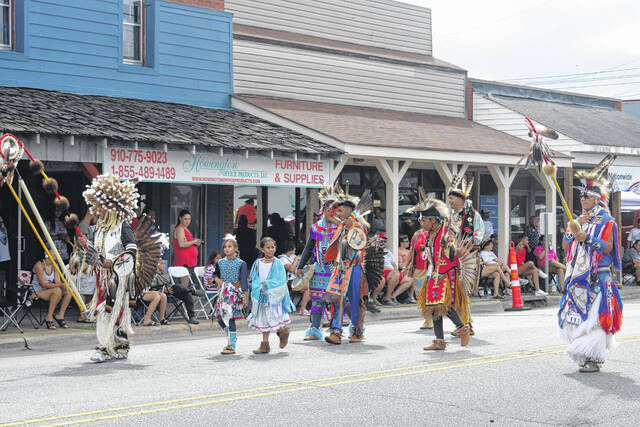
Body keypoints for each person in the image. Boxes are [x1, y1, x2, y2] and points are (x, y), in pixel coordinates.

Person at [559, 156, 623, 373]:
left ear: (596, 199)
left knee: (595, 320)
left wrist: (587, 238)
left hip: (598, 277)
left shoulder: (607, 220)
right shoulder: (580, 219)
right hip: (578, 277)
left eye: (585, 196)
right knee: (578, 317)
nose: (582, 200)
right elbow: (566, 246)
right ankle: (585, 356)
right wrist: (575, 227)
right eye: (580, 196)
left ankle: (593, 359)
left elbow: (608, 248)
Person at [81, 175, 142, 362]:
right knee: (104, 310)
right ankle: (114, 345)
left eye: (101, 207)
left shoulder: (122, 226)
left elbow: (132, 251)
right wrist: (85, 251)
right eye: (97, 207)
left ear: (112, 208)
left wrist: (113, 263)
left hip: (119, 278)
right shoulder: (99, 229)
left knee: (113, 311)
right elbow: (95, 253)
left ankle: (107, 348)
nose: (97, 211)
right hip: (102, 278)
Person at [408, 197, 471, 351]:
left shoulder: (446, 232)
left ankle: (462, 328)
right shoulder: (431, 233)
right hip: (435, 273)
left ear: (433, 220)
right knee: (434, 307)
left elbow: (453, 252)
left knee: (442, 304)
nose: (421, 224)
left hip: (446, 273)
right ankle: (439, 340)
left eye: (424, 221)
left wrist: (453, 250)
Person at [323, 188, 370, 344]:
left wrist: (351, 225)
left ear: (350, 211)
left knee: (355, 300)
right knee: (337, 299)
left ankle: (357, 330)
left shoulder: (358, 227)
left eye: (341, 210)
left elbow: (359, 245)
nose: (338, 213)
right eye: (338, 211)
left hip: (353, 268)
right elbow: (329, 215)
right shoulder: (342, 226)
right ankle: (336, 332)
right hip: (340, 269)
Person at [296, 188, 340, 341]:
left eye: (334, 209)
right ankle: (315, 328)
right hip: (320, 268)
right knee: (317, 300)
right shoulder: (317, 227)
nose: (330, 212)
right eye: (328, 209)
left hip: (337, 269)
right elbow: (309, 248)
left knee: (339, 300)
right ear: (323, 210)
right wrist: (300, 266)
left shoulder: (341, 227)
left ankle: (339, 329)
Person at [447, 175, 483, 335]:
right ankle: (465, 324)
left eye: (452, 198)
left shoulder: (472, 215)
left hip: (467, 259)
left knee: (461, 291)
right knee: (455, 292)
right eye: (449, 199)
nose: (450, 202)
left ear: (461, 200)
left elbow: (480, 233)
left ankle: (464, 325)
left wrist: (471, 241)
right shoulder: (451, 216)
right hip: (452, 258)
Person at [247, 237, 295, 354]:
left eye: (272, 247)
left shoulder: (278, 263)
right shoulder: (258, 263)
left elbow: (281, 280)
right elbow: (254, 277)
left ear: (275, 248)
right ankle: (265, 344)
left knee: (274, 317)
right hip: (261, 295)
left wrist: (267, 285)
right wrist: (259, 287)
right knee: (264, 319)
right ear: (262, 249)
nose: (270, 250)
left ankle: (283, 332)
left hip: (274, 297)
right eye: (267, 248)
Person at [215, 235, 249, 355]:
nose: (227, 249)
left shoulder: (241, 263)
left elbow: (244, 280)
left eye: (230, 246)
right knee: (220, 317)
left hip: (234, 292)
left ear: (235, 248)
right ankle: (231, 337)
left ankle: (231, 345)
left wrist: (245, 295)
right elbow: (215, 275)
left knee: (230, 318)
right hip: (223, 292)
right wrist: (219, 282)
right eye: (225, 247)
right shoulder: (220, 262)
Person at [31, 252, 72, 329]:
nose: (56, 254)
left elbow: (58, 282)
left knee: (68, 292)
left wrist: (64, 287)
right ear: (46, 254)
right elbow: (43, 284)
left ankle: (60, 316)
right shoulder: (39, 265)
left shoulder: (54, 265)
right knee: (57, 291)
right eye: (53, 252)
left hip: (49, 290)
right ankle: (49, 317)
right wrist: (60, 285)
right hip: (36, 290)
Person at [75, 210, 97, 323]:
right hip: (84, 261)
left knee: (90, 288)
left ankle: (87, 313)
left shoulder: (87, 226)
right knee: (83, 289)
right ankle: (82, 314)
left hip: (90, 261)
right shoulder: (83, 226)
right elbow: (83, 245)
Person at [173, 209, 201, 287]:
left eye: (189, 219)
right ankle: (183, 298)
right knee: (184, 283)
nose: (188, 221)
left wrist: (194, 243)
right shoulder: (180, 229)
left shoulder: (185, 228)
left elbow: (186, 242)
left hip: (189, 260)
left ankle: (184, 297)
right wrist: (193, 242)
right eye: (185, 219)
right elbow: (181, 244)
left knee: (186, 282)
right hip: (184, 260)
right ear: (180, 218)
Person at [371, 233, 401, 305]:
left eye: (384, 241)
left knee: (400, 275)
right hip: (379, 271)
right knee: (385, 278)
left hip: (389, 272)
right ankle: (374, 298)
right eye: (381, 241)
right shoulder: (374, 250)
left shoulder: (387, 251)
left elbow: (394, 264)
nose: (383, 242)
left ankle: (387, 298)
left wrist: (395, 269)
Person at [279, 240, 307, 315]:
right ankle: (302, 309)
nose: (295, 249)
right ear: (290, 248)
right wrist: (296, 260)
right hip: (289, 282)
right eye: (294, 247)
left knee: (313, 284)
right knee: (308, 288)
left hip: (297, 279)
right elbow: (291, 269)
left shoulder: (293, 256)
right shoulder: (282, 259)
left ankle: (306, 307)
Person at [389, 234, 417, 304]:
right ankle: (393, 296)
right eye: (406, 241)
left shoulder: (408, 251)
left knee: (415, 275)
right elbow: (400, 265)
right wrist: (408, 266)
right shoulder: (399, 251)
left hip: (409, 270)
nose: (408, 243)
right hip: (402, 271)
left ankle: (411, 296)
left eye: (408, 241)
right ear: (401, 243)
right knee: (412, 277)